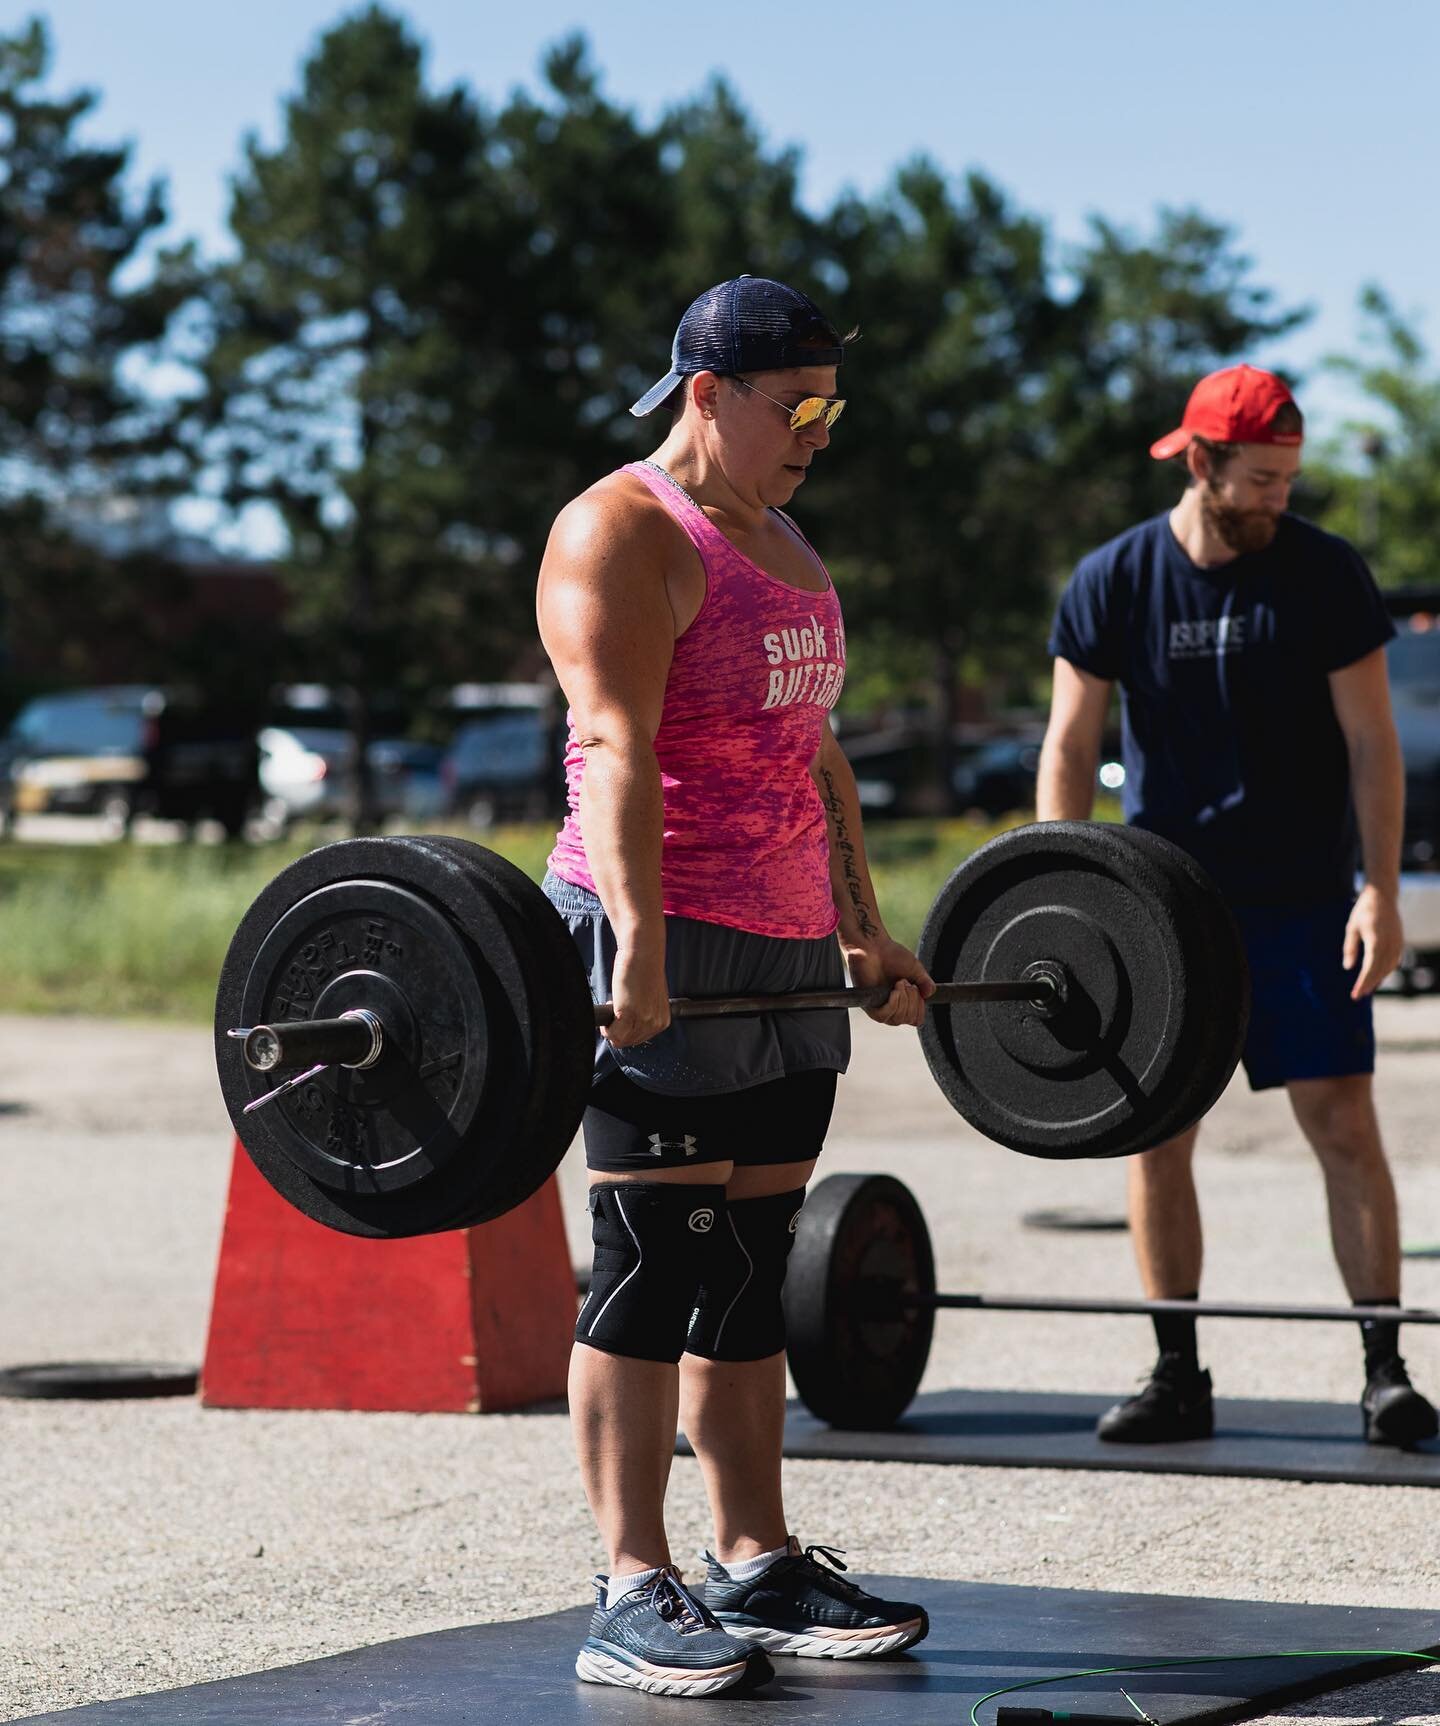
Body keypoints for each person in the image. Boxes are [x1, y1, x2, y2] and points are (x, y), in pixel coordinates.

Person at [536, 275, 935, 1697]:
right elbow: (612, 745)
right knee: (653, 1263)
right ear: (706, 393)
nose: (820, 431)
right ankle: (629, 1581)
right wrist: (636, 943)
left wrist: (867, 933)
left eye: (834, 405)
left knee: (750, 1271)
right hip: (659, 932)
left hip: (778, 949)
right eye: (799, 407)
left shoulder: (789, 541)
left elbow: (814, 754)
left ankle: (753, 1557)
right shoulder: (621, 532)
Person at [1037, 363, 1438, 1451]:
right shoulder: (1115, 579)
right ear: (1201, 462)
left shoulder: (1323, 574)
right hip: (1164, 910)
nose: (1278, 498)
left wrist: (1380, 890)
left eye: (1290, 479)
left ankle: (1386, 1370)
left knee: (1343, 1123)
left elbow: (1372, 742)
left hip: (1305, 897)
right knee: (1159, 1135)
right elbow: (1071, 744)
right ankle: (1176, 1371)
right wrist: (1057, 896)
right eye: (1260, 478)